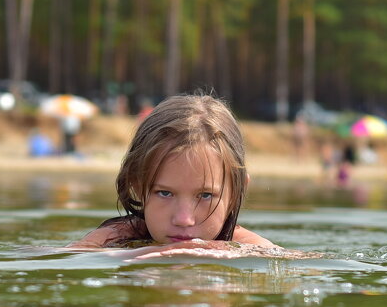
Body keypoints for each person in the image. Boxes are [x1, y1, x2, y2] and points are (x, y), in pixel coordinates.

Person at [72, 93, 278, 251]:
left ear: (235, 192)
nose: (183, 219)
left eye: (205, 195)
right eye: (165, 193)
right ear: (136, 186)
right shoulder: (115, 239)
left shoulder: (250, 248)